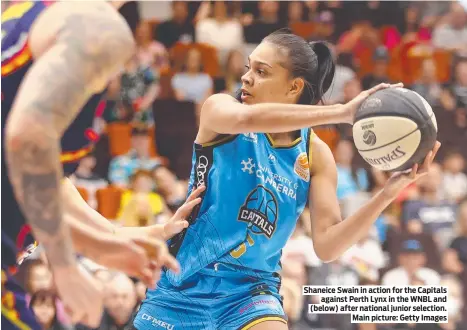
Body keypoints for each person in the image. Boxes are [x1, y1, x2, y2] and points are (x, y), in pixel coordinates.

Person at [134, 28, 441, 330]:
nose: (246, 77)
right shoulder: (220, 110)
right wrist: (341, 112)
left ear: (294, 87)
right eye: (248, 67)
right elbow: (247, 119)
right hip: (182, 282)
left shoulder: (316, 154)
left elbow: (328, 246)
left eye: (261, 71)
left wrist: (387, 194)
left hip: (251, 291)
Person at [1, 1, 202, 328]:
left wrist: (110, 239)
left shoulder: (22, 15)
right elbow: (27, 141)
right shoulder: (96, 24)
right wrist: (65, 265)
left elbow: (40, 177)